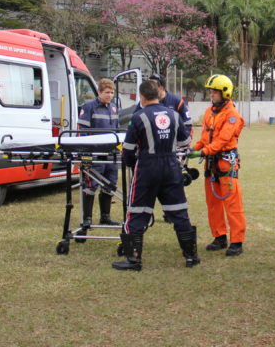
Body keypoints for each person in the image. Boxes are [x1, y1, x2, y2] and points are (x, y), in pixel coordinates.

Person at [112, 80, 199, 271]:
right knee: (179, 212)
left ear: (142, 97)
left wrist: (133, 165)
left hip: (147, 168)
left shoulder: (138, 116)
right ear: (159, 94)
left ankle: (134, 260)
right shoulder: (174, 115)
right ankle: (191, 256)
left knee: (136, 212)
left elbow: (127, 151)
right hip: (171, 167)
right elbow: (185, 142)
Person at [187, 74, 246, 256]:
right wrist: (193, 149)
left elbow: (222, 140)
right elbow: (205, 138)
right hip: (211, 164)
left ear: (225, 93)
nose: (211, 94)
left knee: (232, 203)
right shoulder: (209, 112)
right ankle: (219, 236)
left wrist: (204, 151)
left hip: (225, 163)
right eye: (210, 91)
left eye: (214, 91)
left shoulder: (232, 116)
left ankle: (237, 241)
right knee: (213, 203)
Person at [78, 77, 120, 227]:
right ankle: (87, 218)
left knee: (110, 183)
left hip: (110, 153)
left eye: (112, 92)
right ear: (99, 92)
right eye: (107, 92)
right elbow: (82, 132)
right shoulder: (89, 107)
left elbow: (116, 129)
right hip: (95, 153)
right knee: (90, 185)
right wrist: (86, 153)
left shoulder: (114, 108)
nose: (110, 95)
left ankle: (105, 217)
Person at [134, 74, 193, 138]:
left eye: (153, 85)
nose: (150, 87)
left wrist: (182, 139)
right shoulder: (145, 101)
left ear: (162, 88)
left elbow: (188, 123)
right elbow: (135, 120)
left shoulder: (176, 101)